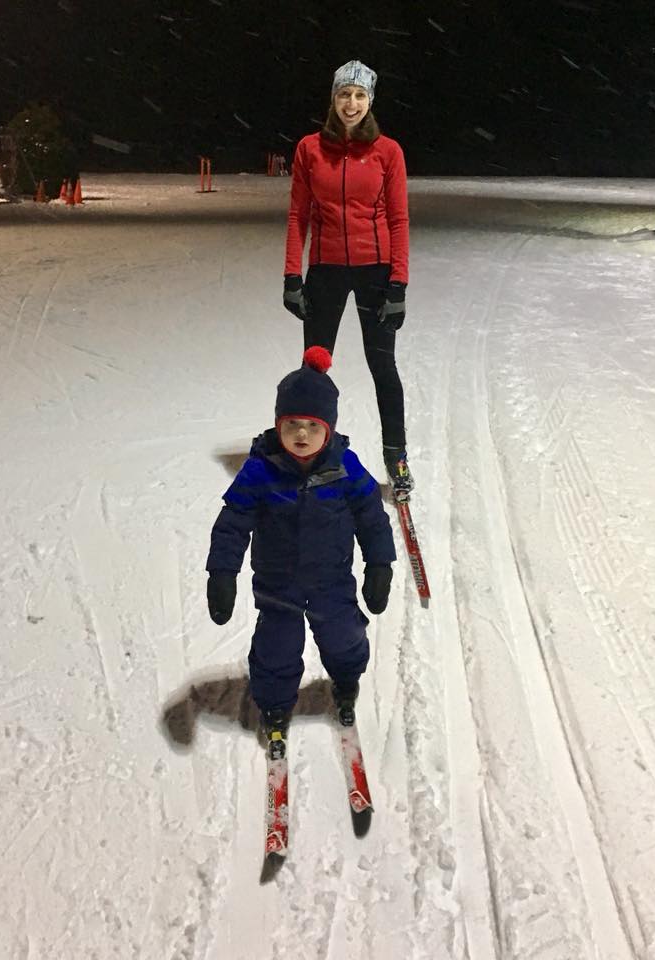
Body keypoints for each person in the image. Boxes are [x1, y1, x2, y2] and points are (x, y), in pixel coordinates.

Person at [206, 346, 396, 757]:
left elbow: (372, 517)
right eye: (292, 424)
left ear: (329, 428)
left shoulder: (346, 468)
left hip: (332, 581)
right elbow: (233, 522)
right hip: (278, 586)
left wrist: (380, 564)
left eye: (313, 425)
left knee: (345, 637)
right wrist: (221, 573)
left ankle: (346, 680)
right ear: (278, 425)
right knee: (276, 646)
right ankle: (275, 705)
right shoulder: (260, 471)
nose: (302, 434)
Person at [283, 59, 414, 500]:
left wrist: (398, 284)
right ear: (333, 99)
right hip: (326, 270)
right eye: (344, 94)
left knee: (383, 366)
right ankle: (309, 453)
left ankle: (397, 458)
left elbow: (398, 219)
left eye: (359, 96)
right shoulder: (309, 149)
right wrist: (292, 275)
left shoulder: (387, 152)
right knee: (314, 367)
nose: (351, 103)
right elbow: (298, 215)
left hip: (376, 270)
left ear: (369, 101)